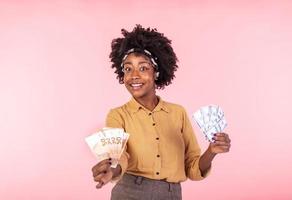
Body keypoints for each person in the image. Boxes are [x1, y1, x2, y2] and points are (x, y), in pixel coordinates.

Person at [91, 24, 231, 200]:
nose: (134, 75)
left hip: (171, 194)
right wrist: (113, 171)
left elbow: (193, 169)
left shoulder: (178, 113)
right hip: (129, 193)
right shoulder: (117, 115)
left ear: (156, 72)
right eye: (128, 68)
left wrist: (212, 151)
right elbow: (120, 155)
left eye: (143, 68)